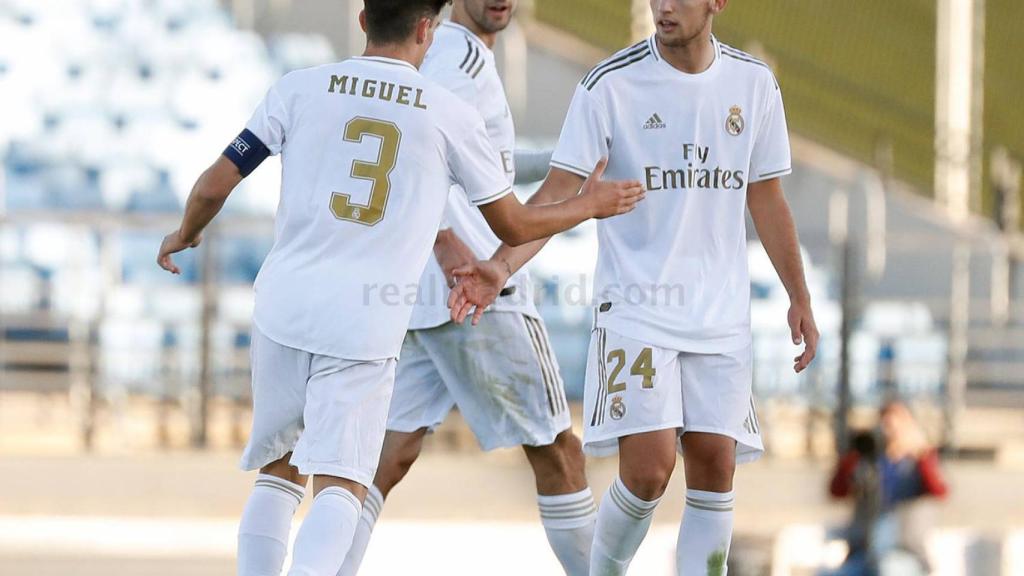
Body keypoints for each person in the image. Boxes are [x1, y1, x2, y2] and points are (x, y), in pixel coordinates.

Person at [155, 0, 646, 574]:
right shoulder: (445, 107)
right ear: (427, 28)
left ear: (362, 20)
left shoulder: (299, 87)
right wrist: (590, 203)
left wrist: (185, 233)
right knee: (343, 482)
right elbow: (511, 223)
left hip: (283, 305)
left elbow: (216, 184)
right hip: (364, 317)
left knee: (279, 469)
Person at [449, 1, 819, 573]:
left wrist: (798, 294)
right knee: (648, 471)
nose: (664, 7)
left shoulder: (753, 84)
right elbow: (557, 191)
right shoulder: (609, 85)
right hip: (637, 308)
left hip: (721, 315)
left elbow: (765, 196)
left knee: (716, 465)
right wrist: (500, 265)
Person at [337, 2, 596, 575]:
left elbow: (488, 165)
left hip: (415, 294)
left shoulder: (448, 53)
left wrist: (568, 163)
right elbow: (408, 145)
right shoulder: (460, 54)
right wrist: (444, 237)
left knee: (387, 454)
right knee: (557, 449)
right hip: (472, 285)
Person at [827, 402, 948, 575]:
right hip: (863, 552)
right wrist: (855, 453)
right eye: (887, 425)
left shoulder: (919, 462)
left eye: (898, 424)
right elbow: (837, 491)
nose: (891, 431)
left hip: (906, 552)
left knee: (888, 569)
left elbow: (940, 491)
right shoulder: (868, 462)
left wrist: (922, 453)